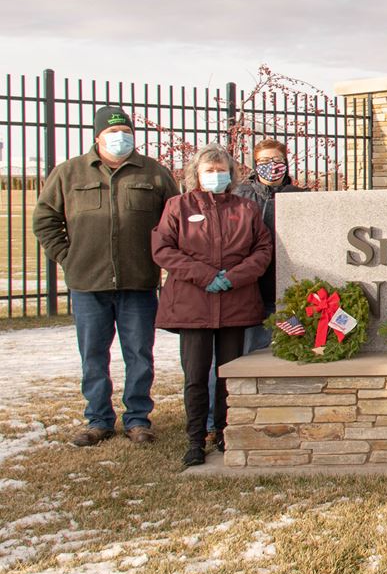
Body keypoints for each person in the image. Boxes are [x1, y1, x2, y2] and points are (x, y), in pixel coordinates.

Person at [32, 106, 180, 448]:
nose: (120, 138)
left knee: (139, 354)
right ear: (97, 136)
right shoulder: (69, 174)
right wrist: (68, 258)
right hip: (88, 284)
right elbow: (45, 220)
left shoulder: (154, 174)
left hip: (138, 282)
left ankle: (138, 419)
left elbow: (174, 223)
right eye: (112, 133)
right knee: (94, 354)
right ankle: (98, 419)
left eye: (126, 132)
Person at [151, 143, 271, 467]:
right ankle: (195, 438)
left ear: (231, 175)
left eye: (221, 170)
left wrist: (233, 277)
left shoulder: (245, 209)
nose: (216, 175)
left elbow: (262, 250)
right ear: (196, 174)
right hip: (193, 306)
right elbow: (164, 249)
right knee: (195, 375)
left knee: (227, 374)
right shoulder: (177, 207)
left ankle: (224, 430)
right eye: (209, 170)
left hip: (234, 303)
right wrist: (205, 276)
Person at [231, 138, 304, 350]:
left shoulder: (301, 197)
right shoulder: (239, 196)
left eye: (276, 159)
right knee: (250, 352)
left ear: (285, 162)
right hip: (250, 289)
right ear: (255, 164)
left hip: (288, 288)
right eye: (263, 160)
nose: (270, 165)